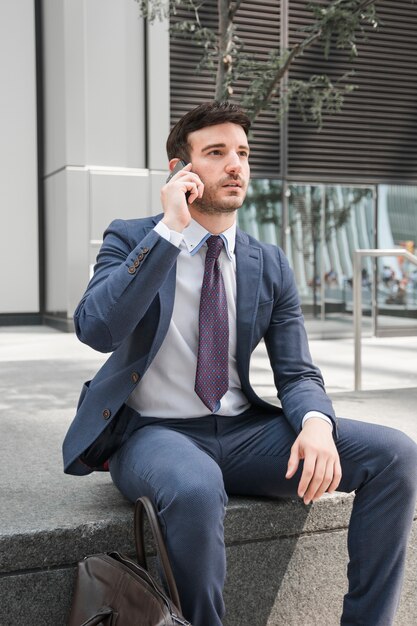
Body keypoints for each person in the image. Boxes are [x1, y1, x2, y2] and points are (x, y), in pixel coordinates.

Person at [63, 101, 417, 626]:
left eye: (243, 153)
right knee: (195, 487)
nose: (236, 165)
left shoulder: (267, 261)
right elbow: (97, 329)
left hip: (245, 432)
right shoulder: (133, 237)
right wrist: (168, 232)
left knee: (396, 455)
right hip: (154, 435)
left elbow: (296, 372)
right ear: (180, 170)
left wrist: (317, 423)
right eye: (216, 152)